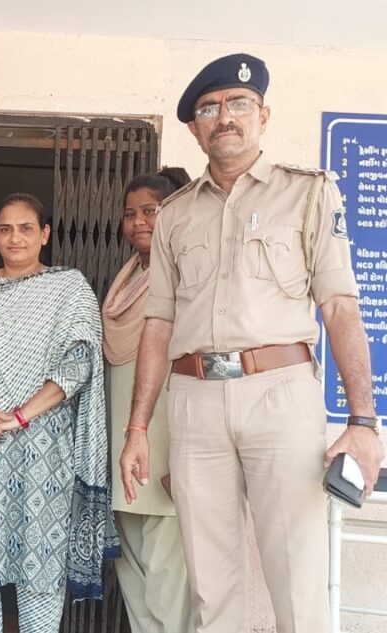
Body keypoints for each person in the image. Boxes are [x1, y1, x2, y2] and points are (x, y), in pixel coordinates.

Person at [119, 53, 385, 633]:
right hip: (195, 402)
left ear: (262, 115)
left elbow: (340, 305)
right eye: (209, 109)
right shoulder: (173, 215)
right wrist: (137, 428)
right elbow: (158, 323)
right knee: (210, 590)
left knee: (297, 581)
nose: (225, 117)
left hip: (280, 395)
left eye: (239, 104)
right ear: (195, 130)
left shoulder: (308, 194)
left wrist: (363, 422)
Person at [0, 193, 116, 633]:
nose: (15, 238)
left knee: (41, 558)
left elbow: (79, 361)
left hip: (44, 442)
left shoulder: (68, 287)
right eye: (5, 229)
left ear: (45, 234)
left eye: (25, 228)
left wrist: (23, 415)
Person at [103, 168, 192, 633]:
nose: (138, 221)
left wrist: (186, 455)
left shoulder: (187, 277)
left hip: (164, 449)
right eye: (129, 213)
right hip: (124, 451)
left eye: (150, 211)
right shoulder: (127, 278)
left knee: (168, 581)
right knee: (133, 577)